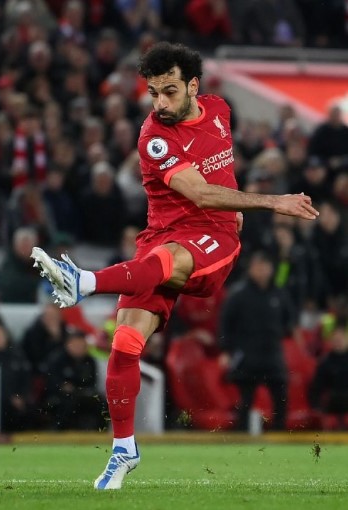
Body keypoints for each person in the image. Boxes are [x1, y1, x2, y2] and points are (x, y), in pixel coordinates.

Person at [30, 42, 319, 490]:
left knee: (169, 260)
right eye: (152, 93)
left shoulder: (220, 109)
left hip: (214, 239)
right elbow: (199, 191)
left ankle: (84, 281)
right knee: (125, 342)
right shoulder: (154, 137)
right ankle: (123, 449)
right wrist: (273, 202)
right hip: (162, 237)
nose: (159, 103)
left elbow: (216, 177)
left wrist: (240, 206)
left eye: (168, 91)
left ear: (193, 87)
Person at [219, 250, 295, 431]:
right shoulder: (238, 293)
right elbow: (225, 323)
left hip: (272, 353)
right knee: (245, 399)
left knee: (281, 396)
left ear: (271, 269)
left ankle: (280, 434)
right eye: (258, 266)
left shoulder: (279, 293)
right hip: (247, 353)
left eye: (265, 266)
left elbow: (289, 319)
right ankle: (241, 437)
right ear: (251, 269)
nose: (262, 270)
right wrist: (225, 350)